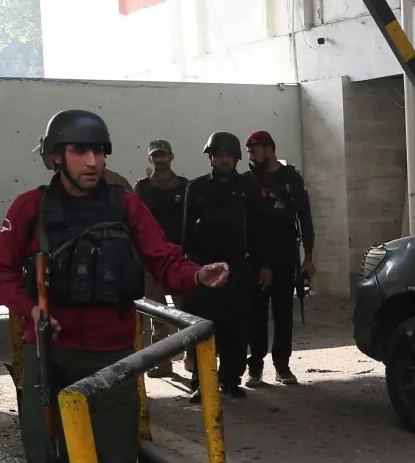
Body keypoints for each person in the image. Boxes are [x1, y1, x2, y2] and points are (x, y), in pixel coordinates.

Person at [0, 110, 229, 463]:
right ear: (56, 156)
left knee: (117, 451)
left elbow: (163, 258)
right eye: (80, 151)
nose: (92, 161)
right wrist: (28, 311)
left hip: (112, 353)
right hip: (49, 352)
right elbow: (1, 270)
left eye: (98, 151)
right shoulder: (29, 208)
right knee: (45, 452)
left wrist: (196, 275)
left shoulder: (126, 206)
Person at [180, 130, 258, 400]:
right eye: (218, 156)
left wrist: (262, 265)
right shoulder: (197, 187)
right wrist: (187, 269)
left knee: (236, 329)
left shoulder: (248, 188)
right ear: (211, 158)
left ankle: (230, 380)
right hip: (204, 269)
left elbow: (262, 229)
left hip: (239, 269)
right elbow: (186, 231)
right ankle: (201, 382)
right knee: (202, 329)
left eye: (228, 156)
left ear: (235, 158)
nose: (223, 160)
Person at [243, 130, 316, 386]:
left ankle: (282, 366)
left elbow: (305, 218)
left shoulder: (290, 178)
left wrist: (309, 257)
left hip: (286, 256)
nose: (250, 157)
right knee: (256, 315)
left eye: (254, 151)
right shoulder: (248, 181)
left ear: (269, 149)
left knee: (284, 313)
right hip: (256, 258)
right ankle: (255, 367)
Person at [135, 140, 190, 378]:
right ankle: (163, 362)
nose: (160, 159)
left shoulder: (186, 186)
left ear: (171, 156)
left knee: (185, 312)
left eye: (163, 155)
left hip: (178, 258)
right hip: (152, 259)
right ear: (150, 159)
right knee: (157, 314)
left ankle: (193, 357)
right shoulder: (142, 188)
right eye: (155, 156)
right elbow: (136, 222)